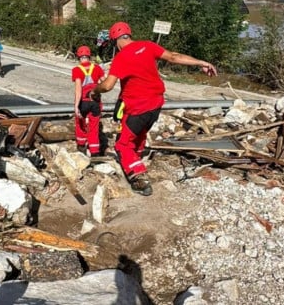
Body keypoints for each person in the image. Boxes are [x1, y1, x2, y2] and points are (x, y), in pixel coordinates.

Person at [90, 21, 217, 196]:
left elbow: (107, 86)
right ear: (129, 35)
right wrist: (201, 62)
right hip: (156, 104)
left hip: (137, 107)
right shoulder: (147, 45)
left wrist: (94, 91)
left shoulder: (121, 57)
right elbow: (173, 56)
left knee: (122, 145)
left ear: (115, 40)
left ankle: (138, 177)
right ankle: (138, 156)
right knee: (140, 133)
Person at [72, 45, 106, 156]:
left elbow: (78, 89)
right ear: (89, 56)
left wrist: (76, 106)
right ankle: (95, 152)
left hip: (84, 102)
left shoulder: (77, 70)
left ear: (79, 57)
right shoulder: (97, 68)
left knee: (80, 123)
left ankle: (81, 145)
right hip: (95, 102)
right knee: (94, 127)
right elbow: (104, 83)